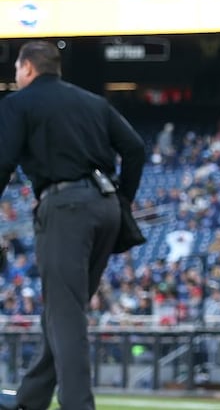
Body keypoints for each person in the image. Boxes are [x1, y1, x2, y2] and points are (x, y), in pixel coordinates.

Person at [0, 40, 146, 410]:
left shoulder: (18, 103)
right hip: (107, 209)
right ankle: (30, 400)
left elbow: (2, 162)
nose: (16, 76)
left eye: (17, 69)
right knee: (63, 311)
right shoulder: (93, 101)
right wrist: (123, 199)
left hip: (65, 209)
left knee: (66, 315)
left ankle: (78, 404)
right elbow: (135, 148)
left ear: (28, 68)